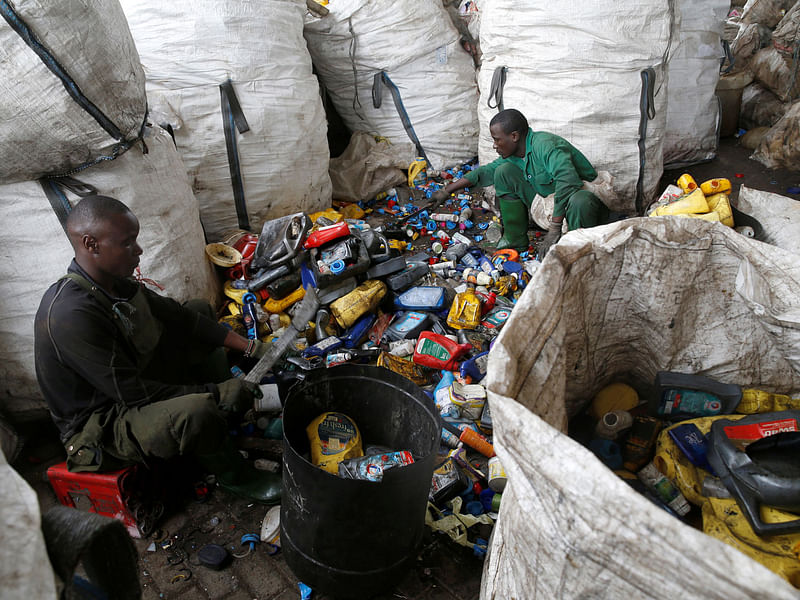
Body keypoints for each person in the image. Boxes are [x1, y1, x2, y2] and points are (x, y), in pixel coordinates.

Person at [33, 195, 280, 504]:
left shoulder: (113, 282)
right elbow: (133, 393)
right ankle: (235, 476)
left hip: (130, 381)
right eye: (127, 243)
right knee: (197, 410)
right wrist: (216, 393)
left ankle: (222, 421)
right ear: (91, 244)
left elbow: (181, 317)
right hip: (103, 426)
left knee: (199, 310)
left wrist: (252, 348)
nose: (138, 250)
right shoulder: (71, 314)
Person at [433, 108, 608, 256]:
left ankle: (576, 252)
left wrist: (555, 228)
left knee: (581, 201)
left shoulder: (546, 146)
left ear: (514, 136)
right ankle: (514, 240)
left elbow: (568, 180)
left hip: (583, 208)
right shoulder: (515, 155)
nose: (494, 145)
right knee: (503, 172)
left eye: (497, 139)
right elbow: (484, 172)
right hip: (551, 205)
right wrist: (447, 190)